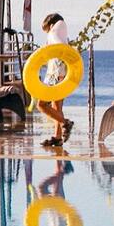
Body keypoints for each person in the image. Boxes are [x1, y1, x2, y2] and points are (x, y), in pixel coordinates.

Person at [36, 11, 75, 148]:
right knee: (56, 107)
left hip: (56, 73)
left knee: (41, 104)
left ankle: (66, 123)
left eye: (47, 29)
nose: (48, 32)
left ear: (51, 25)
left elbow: (59, 48)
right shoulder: (62, 34)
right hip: (59, 71)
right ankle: (57, 138)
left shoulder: (54, 34)